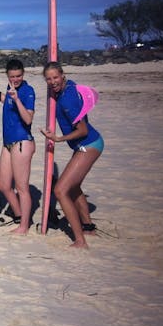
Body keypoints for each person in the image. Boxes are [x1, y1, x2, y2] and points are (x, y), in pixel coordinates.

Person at [40, 61, 103, 248]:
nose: (52, 82)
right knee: (74, 187)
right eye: (48, 79)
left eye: (55, 77)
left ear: (62, 75)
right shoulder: (69, 87)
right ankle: (88, 228)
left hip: (88, 144)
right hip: (87, 144)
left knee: (60, 190)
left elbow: (82, 129)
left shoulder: (67, 99)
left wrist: (59, 139)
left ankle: (80, 240)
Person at [0, 59, 36, 234]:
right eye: (12, 77)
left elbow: (28, 119)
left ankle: (24, 226)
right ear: (7, 76)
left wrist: (17, 98)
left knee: (22, 188)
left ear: (23, 74)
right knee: (3, 186)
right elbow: (7, 102)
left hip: (22, 142)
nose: (16, 79)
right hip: (8, 143)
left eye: (18, 76)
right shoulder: (10, 89)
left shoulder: (28, 91)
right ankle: (20, 215)